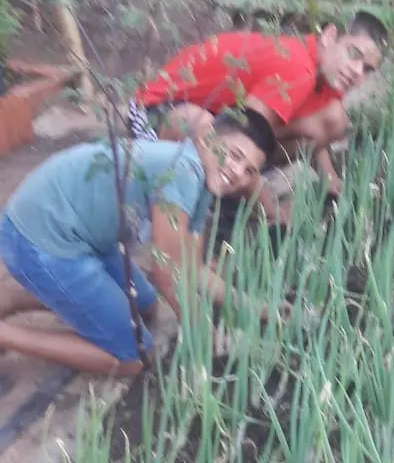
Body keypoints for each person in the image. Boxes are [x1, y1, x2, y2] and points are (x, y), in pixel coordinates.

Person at [0, 110, 274, 378]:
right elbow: (167, 275)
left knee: (145, 305)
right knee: (136, 357)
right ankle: (7, 335)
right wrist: (205, 334)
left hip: (72, 229)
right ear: (209, 136)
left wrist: (254, 308)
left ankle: (13, 297)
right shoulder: (183, 172)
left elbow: (192, 267)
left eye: (250, 171)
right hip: (40, 240)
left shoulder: (202, 176)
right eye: (235, 155)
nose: (237, 172)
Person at [128, 12, 388, 222]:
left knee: (333, 118)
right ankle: (226, 195)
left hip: (220, 114)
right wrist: (273, 210)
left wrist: (330, 177)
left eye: (367, 69)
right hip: (157, 112)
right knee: (222, 137)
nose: (356, 71)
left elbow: (313, 124)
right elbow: (245, 139)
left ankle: (232, 184)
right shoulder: (298, 69)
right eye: (354, 54)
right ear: (330, 36)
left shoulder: (326, 71)